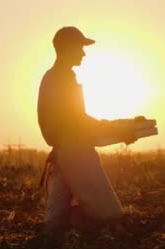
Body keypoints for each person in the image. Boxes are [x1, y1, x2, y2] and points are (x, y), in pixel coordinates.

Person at [37, 26, 141, 231]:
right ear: (67, 47)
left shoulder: (57, 77)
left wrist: (120, 127)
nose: (84, 53)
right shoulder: (61, 79)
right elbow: (78, 122)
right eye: (80, 47)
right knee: (111, 218)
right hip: (75, 155)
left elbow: (76, 123)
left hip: (64, 153)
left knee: (54, 223)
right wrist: (120, 129)